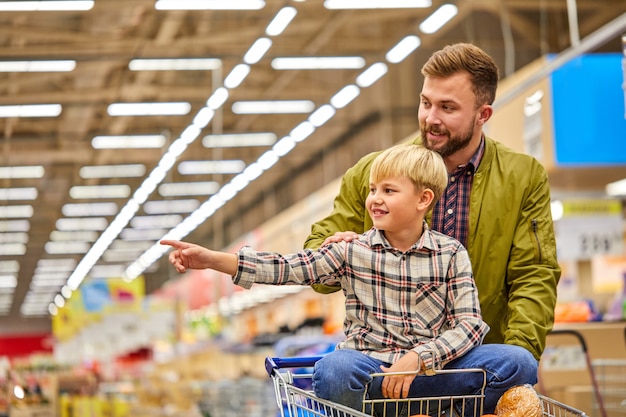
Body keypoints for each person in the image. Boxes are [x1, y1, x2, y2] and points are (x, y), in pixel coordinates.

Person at [162, 144, 520, 417]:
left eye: (388, 191)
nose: (375, 199)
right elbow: (288, 267)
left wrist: (418, 358)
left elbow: (471, 324)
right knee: (334, 370)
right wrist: (211, 259)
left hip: (430, 376)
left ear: (424, 199)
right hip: (371, 374)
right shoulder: (351, 251)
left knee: (517, 362)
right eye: (372, 189)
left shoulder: (450, 252)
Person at [305, 42, 560, 393]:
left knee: (518, 363)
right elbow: (319, 258)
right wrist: (331, 252)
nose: (431, 118)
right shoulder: (371, 172)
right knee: (335, 372)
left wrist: (519, 351)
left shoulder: (523, 176)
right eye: (426, 103)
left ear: (483, 114)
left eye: (447, 107)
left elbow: (534, 275)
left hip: (467, 359)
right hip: (384, 359)